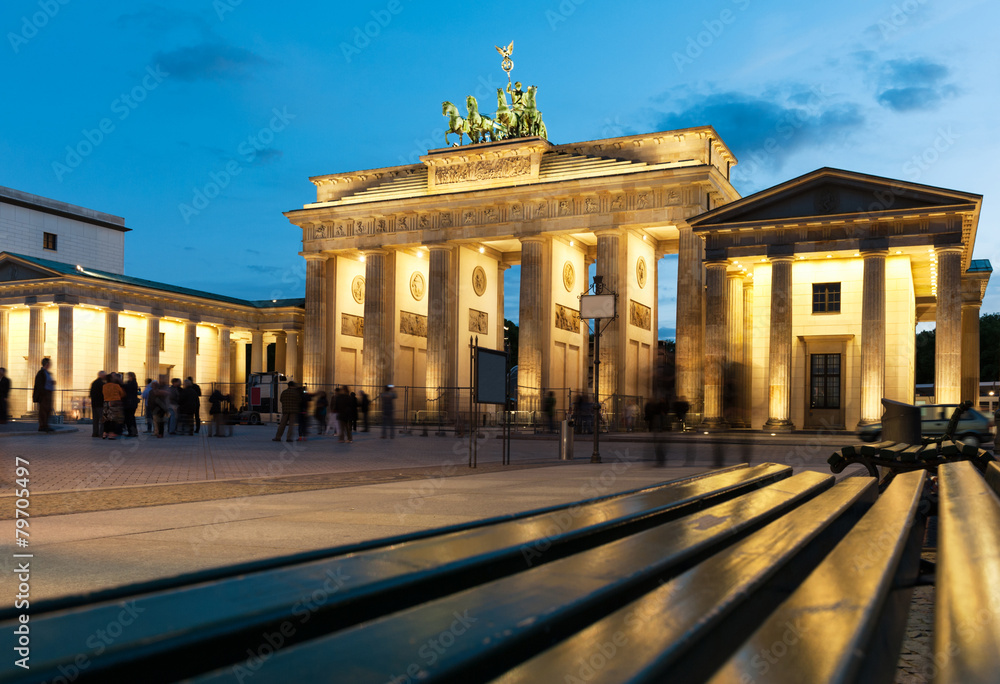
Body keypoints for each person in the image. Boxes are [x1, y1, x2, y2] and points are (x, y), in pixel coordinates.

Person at [33, 357, 55, 432]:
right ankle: (42, 426)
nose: (50, 365)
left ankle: (45, 425)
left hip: (48, 394)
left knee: (48, 410)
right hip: (44, 394)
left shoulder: (47, 373)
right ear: (47, 364)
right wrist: (43, 393)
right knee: (43, 411)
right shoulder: (41, 373)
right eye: (49, 363)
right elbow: (39, 384)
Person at [101, 373, 125, 439]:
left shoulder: (104, 386)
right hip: (115, 403)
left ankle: (104, 433)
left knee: (106, 418)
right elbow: (122, 394)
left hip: (106, 402)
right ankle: (111, 434)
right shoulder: (116, 386)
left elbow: (103, 394)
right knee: (113, 419)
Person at [89, 370, 106, 438]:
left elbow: (91, 393)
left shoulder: (94, 383)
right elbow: (103, 394)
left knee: (95, 420)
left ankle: (95, 433)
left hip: (94, 404)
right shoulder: (101, 384)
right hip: (100, 404)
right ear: (101, 375)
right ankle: (101, 433)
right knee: (102, 419)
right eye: (104, 375)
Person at [123, 372, 140, 437]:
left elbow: (126, 387)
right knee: (131, 418)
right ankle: (133, 432)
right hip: (132, 403)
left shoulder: (132, 383)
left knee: (129, 418)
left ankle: (132, 432)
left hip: (130, 403)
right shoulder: (133, 383)